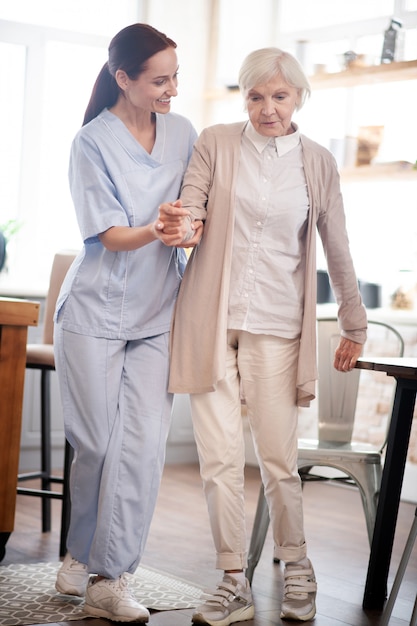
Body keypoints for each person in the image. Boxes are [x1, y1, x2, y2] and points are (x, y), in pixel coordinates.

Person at [160, 47, 367, 624]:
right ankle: (232, 580)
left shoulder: (318, 162)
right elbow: (193, 205)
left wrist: (354, 322)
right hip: (211, 321)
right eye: (255, 96)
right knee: (218, 459)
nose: (267, 108)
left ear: (298, 97)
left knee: (277, 456)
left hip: (278, 327)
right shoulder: (217, 142)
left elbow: (338, 246)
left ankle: (298, 566)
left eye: (279, 96)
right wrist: (182, 224)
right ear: (243, 98)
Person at [53, 23, 200, 623]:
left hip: (158, 311)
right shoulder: (91, 142)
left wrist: (189, 227)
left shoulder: (184, 133)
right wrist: (161, 229)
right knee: (97, 447)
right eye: (159, 79)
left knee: (139, 449)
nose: (171, 89)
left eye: (175, 77)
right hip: (92, 313)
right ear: (124, 79)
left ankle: (110, 579)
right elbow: (110, 237)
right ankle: (77, 553)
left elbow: (200, 206)